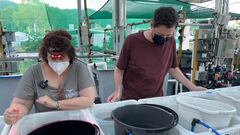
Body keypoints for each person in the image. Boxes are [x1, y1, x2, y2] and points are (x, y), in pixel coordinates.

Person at [107, 7, 206, 102]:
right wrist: (117, 91)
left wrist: (192, 87)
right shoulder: (132, 41)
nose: (164, 38)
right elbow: (119, 69)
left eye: (168, 35)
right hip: (131, 99)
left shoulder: (170, 41)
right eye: (160, 35)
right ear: (152, 25)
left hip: (156, 99)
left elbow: (173, 68)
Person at [3, 30, 95, 125]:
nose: (57, 61)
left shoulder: (79, 69)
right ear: (45, 56)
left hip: (79, 124)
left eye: (61, 57)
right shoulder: (33, 72)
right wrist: (14, 113)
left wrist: (55, 104)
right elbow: (22, 103)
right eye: (53, 58)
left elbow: (88, 100)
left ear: (70, 56)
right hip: (45, 126)